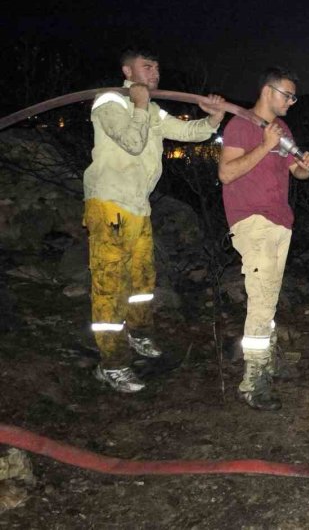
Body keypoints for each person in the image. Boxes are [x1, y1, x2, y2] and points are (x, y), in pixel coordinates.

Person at [84, 48, 226, 393]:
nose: (155, 73)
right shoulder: (109, 102)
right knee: (110, 288)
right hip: (108, 204)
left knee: (142, 283)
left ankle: (139, 335)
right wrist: (140, 105)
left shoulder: (151, 109)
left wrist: (213, 119)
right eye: (147, 66)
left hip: (138, 208)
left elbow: (190, 132)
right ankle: (112, 364)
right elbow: (132, 143)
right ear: (127, 70)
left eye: (158, 68)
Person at [218, 67, 309, 411]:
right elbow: (227, 173)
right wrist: (264, 146)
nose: (292, 102)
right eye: (287, 95)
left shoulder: (283, 129)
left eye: (294, 97)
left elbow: (297, 173)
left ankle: (268, 363)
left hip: (280, 222)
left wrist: (305, 164)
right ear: (267, 91)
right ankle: (253, 382)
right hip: (252, 221)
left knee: (268, 297)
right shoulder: (240, 125)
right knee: (261, 300)